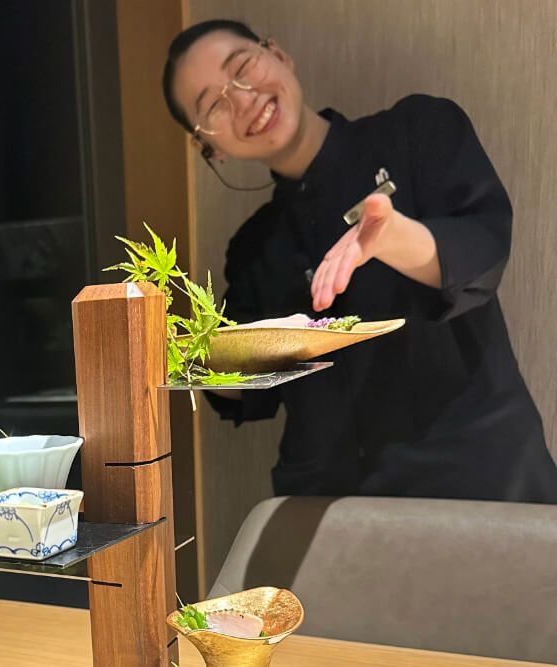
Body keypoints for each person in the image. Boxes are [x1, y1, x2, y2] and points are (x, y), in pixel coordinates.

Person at [161, 19, 557, 503]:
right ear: (210, 149)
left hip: (478, 483)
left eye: (242, 67)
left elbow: (483, 249)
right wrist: (180, 356)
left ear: (279, 55)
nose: (242, 98)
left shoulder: (418, 130)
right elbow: (251, 390)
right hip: (328, 510)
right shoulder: (254, 250)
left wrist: (391, 238)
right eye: (213, 106)